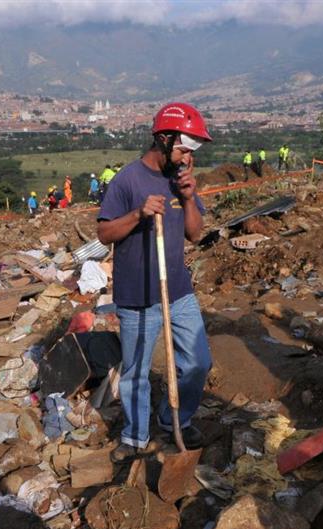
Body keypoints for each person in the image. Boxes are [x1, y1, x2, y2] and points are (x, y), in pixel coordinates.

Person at [97, 102, 212, 464]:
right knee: (136, 371)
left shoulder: (181, 181)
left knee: (198, 362)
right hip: (136, 295)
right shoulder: (127, 180)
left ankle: (175, 418)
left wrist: (190, 197)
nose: (186, 156)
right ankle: (134, 437)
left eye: (191, 150)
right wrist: (138, 213)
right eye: (182, 147)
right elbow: (103, 233)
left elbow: (195, 234)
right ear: (163, 139)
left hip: (177, 290)